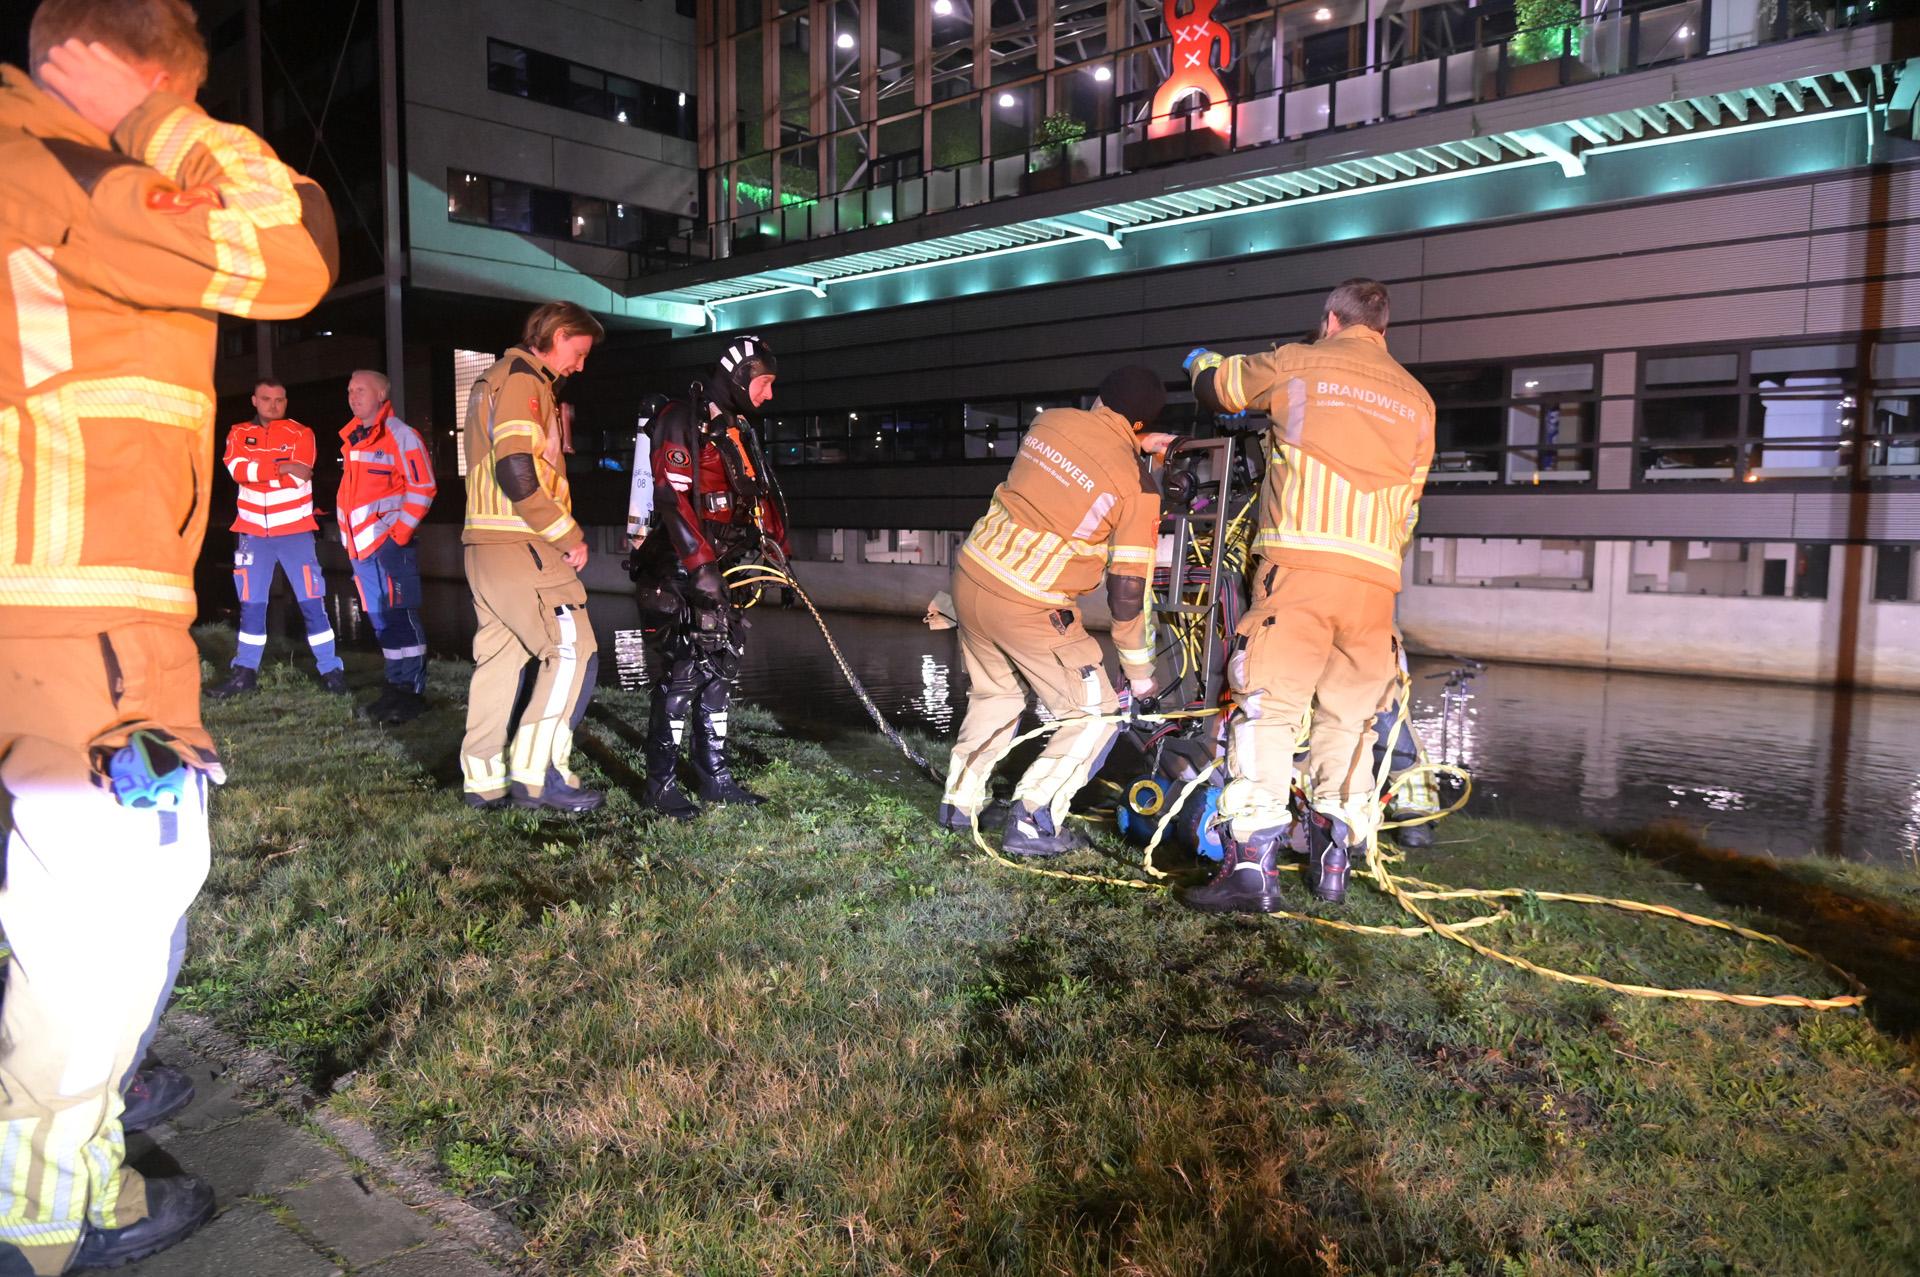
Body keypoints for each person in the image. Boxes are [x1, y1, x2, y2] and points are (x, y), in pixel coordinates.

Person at [0, 0, 337, 1269]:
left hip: (56, 616)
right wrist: (156, 122)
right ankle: (46, 1217)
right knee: (102, 933)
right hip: (82, 629)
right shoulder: (59, 169)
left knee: (79, 922)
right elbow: (291, 241)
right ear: (122, 73)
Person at [1179, 278, 1434, 912]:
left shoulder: (1299, 362)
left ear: (1330, 320)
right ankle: (1332, 866)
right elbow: (1409, 510)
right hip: (1375, 586)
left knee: (1268, 711)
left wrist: (1199, 362)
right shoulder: (1419, 401)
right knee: (1351, 722)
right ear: (1383, 329)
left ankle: (1250, 869)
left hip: (1298, 570)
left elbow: (1221, 387)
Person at [941, 367, 1170, 856]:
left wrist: (1133, 445)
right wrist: (1139, 675)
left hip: (972, 574)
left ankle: (960, 803)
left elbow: (1082, 464)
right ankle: (1032, 819)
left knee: (997, 696)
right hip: (1029, 600)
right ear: (1143, 424)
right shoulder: (1138, 488)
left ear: (1101, 398)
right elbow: (1127, 592)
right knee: (1096, 716)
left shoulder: (1051, 422)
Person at [629, 335, 789, 817]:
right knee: (684, 673)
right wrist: (700, 568)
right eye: (764, 383)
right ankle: (660, 786)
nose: (769, 394)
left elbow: (757, 495)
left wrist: (775, 552)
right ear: (739, 377)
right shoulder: (682, 419)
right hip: (682, 568)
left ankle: (715, 778)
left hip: (728, 566)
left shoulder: (736, 427)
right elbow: (670, 498)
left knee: (719, 672)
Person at [458, 301, 605, 812]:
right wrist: (567, 535)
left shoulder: (493, 378)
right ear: (558, 335)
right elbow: (516, 468)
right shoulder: (526, 380)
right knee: (573, 651)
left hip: (484, 546)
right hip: (522, 543)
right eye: (578, 352)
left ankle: (484, 782)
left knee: (500, 663)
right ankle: (538, 776)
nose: (579, 366)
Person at [205, 378, 346, 697]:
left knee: (313, 605)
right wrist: (281, 467)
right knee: (251, 607)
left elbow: (299, 477)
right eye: (266, 399)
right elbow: (238, 471)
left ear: (286, 401)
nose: (273, 405)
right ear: (254, 401)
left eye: (279, 399)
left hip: (296, 534)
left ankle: (332, 673)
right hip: (252, 535)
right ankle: (244, 675)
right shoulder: (238, 433)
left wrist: (260, 470)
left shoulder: (301, 433)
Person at [338, 368, 435, 724]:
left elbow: (423, 488)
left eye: (361, 390)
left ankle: (413, 693)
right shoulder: (354, 439)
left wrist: (398, 538)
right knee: (382, 622)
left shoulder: (400, 435)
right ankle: (396, 687)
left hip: (390, 547)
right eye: (350, 390)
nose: (353, 396)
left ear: (381, 395)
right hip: (362, 550)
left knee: (401, 618)